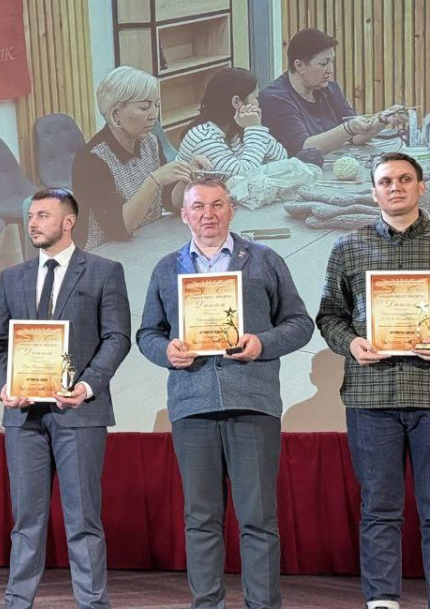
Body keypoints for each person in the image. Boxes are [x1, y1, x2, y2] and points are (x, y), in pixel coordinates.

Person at [137, 176, 314, 608]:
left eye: (217, 205)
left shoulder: (265, 260)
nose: (208, 214)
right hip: (191, 406)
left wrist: (261, 343)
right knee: (201, 519)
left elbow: (299, 323)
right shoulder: (166, 268)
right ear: (184, 215)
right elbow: (147, 333)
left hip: (252, 402)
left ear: (231, 210)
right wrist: (166, 351)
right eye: (198, 207)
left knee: (258, 518)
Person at [0, 189, 132, 609]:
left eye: (43, 216)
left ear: (68, 222)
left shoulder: (104, 271)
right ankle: (17, 602)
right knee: (26, 520)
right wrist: (5, 384)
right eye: (31, 215)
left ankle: (92, 603)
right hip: (23, 416)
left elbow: (117, 337)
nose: (33, 223)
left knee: (82, 518)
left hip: (79, 412)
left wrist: (86, 386)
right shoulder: (12, 277)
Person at [315, 152, 430, 609]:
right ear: (373, 191)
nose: (395, 187)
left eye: (404, 179)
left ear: (421, 186)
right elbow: (329, 316)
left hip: (428, 394)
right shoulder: (348, 246)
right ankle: (382, 600)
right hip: (371, 396)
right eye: (386, 181)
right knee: (379, 508)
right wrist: (351, 344)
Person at [73, 65, 206, 249]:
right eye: (144, 107)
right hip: (103, 252)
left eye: (156, 105)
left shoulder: (150, 141)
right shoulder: (91, 160)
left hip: (145, 243)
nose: (154, 115)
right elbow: (118, 229)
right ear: (116, 115)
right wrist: (154, 181)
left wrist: (186, 176)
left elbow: (170, 202)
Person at [260, 28, 405, 157]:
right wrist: (348, 128)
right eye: (323, 64)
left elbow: (356, 136)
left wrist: (382, 119)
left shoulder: (330, 89)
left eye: (332, 62)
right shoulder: (275, 98)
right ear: (299, 66)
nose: (330, 70)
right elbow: (304, 149)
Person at [178, 66, 289, 176]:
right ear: (236, 102)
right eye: (255, 98)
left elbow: (282, 159)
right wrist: (254, 129)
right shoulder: (203, 138)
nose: (257, 104)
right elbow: (243, 176)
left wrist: (257, 127)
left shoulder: (239, 126)